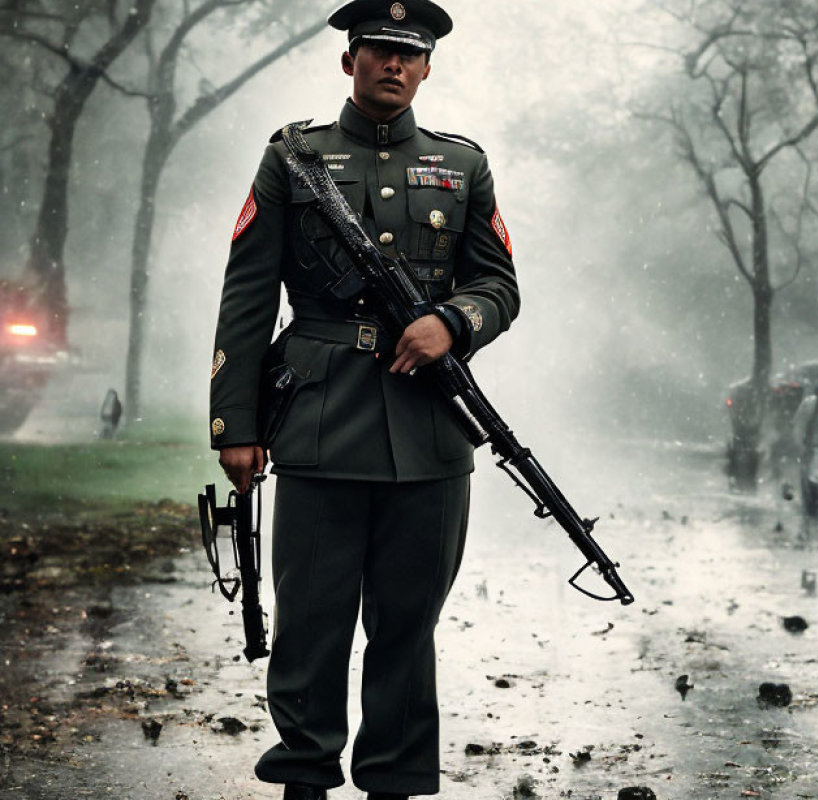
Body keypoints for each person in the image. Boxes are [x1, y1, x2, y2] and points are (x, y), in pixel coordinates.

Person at [208, 1, 519, 798]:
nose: (394, 64)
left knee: (408, 628)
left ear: (427, 68)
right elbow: (248, 296)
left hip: (429, 430)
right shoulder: (294, 158)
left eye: (409, 55)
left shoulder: (462, 166)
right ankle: (304, 779)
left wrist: (453, 322)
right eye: (379, 50)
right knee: (310, 623)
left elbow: (499, 285)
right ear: (350, 60)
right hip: (317, 422)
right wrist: (235, 425)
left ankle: (395, 780)